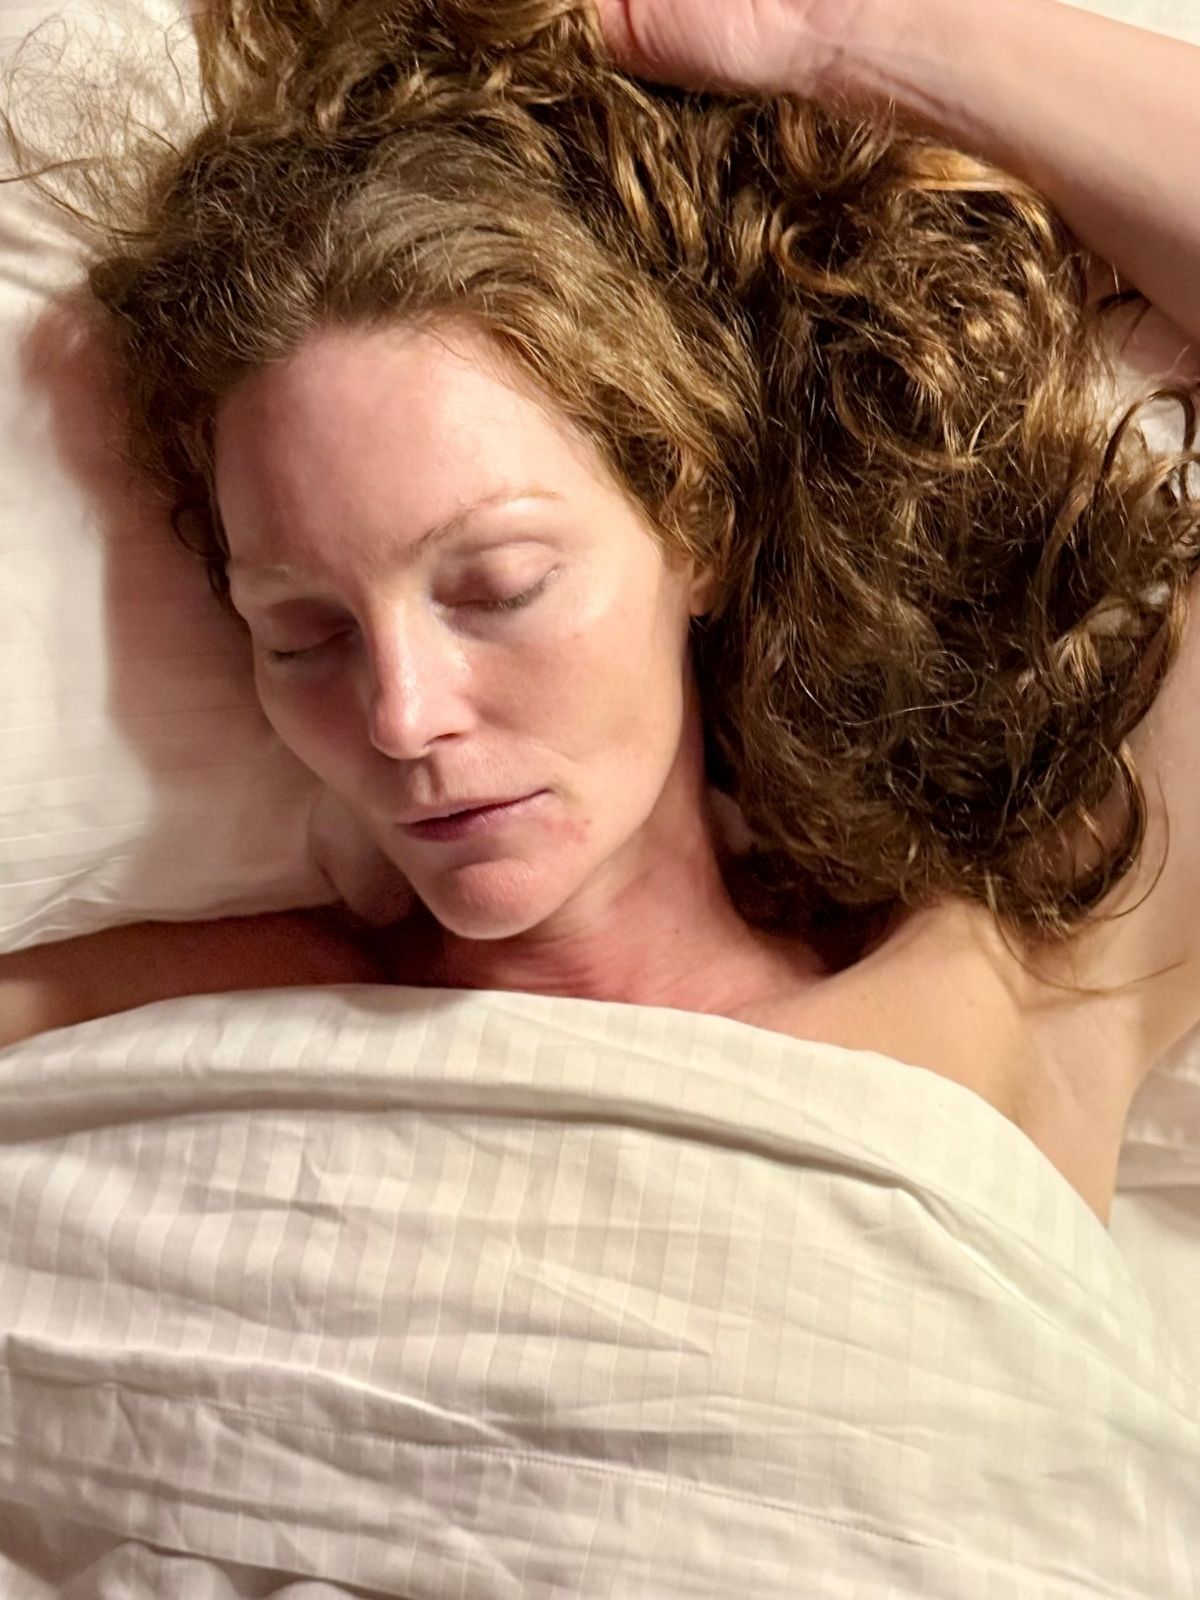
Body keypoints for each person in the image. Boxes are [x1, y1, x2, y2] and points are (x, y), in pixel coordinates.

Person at [2, 0, 1199, 1231]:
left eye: (499, 587)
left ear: (701, 531)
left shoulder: (1007, 1023)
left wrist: (820, 35)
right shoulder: (212, 1028)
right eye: (303, 636)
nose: (401, 714)